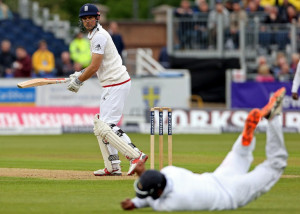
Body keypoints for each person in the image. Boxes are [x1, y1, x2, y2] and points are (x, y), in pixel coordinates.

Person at [121, 87, 288, 211]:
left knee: (276, 164)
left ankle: (273, 118)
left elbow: (152, 199)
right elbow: (153, 188)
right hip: (216, 178)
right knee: (238, 155)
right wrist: (142, 175)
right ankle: (245, 136)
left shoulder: (172, 203)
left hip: (231, 194)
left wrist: (136, 203)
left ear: (158, 191)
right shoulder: (170, 171)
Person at [67, 3, 147, 176]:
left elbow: (95, 66)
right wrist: (80, 73)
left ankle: (136, 155)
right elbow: (98, 64)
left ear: (97, 18)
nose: (88, 21)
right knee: (100, 127)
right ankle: (113, 166)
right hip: (111, 83)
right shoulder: (94, 35)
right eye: (85, 18)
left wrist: (79, 81)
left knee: (107, 127)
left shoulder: (99, 36)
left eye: (90, 18)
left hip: (116, 82)